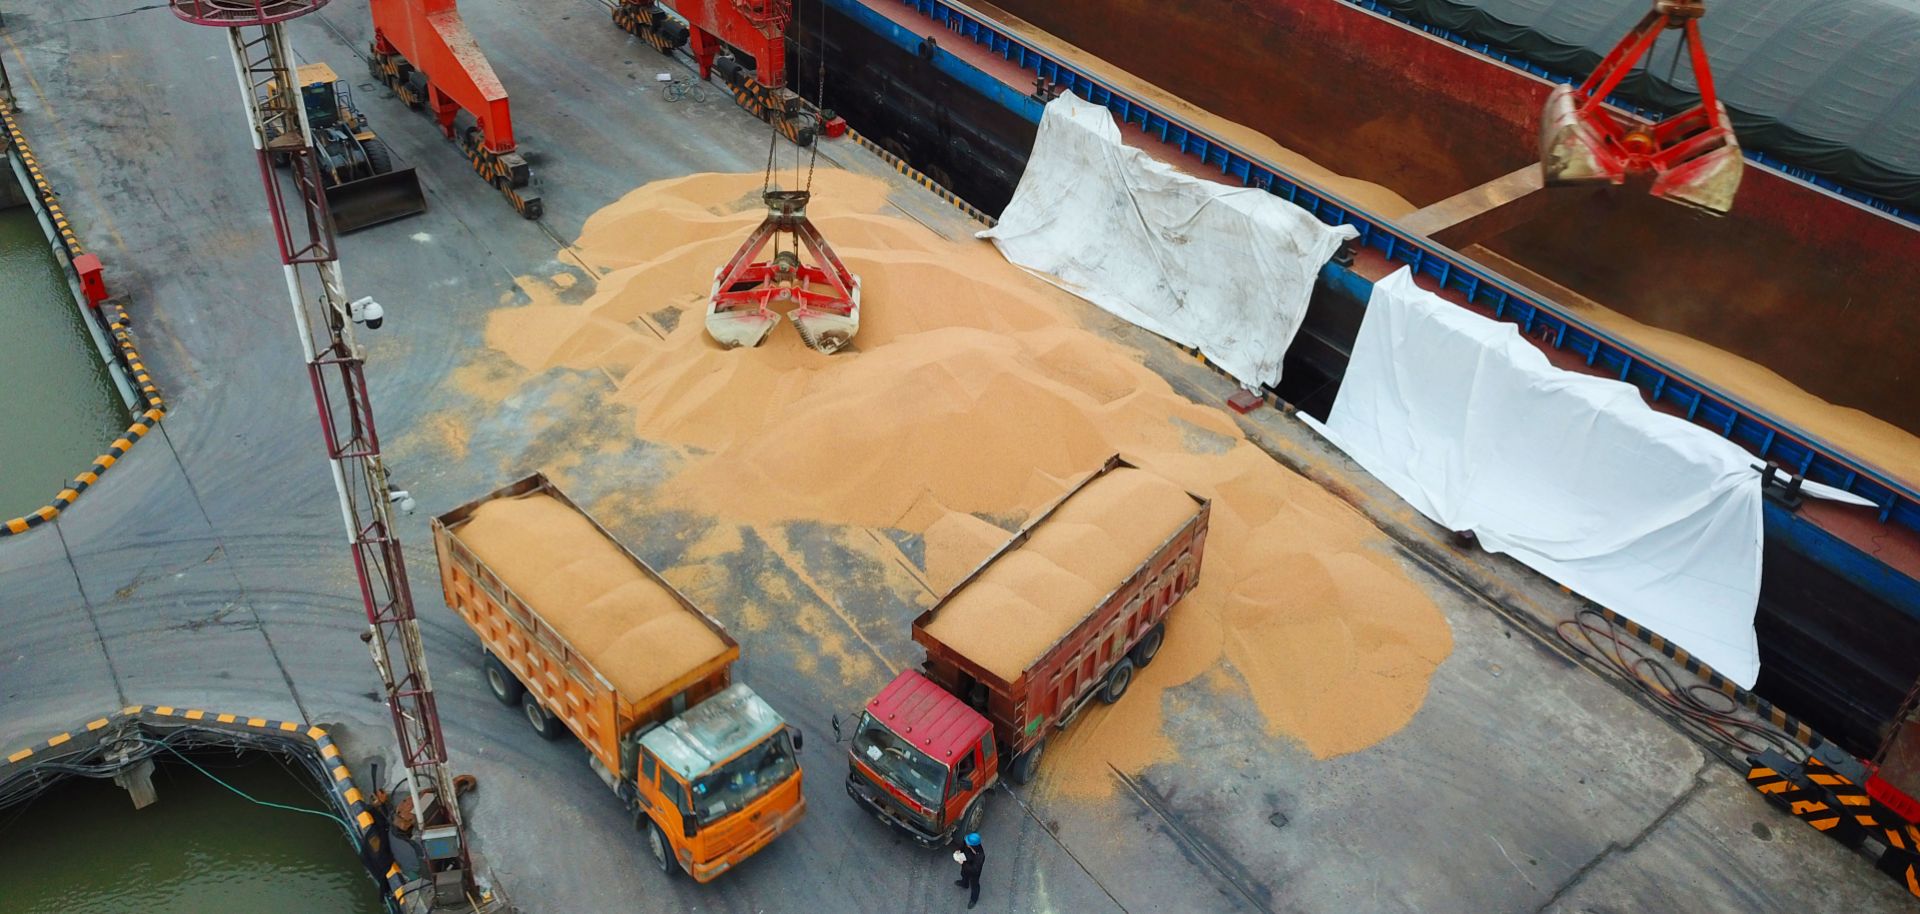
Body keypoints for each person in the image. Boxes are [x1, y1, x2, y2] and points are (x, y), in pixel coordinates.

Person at [954, 831, 985, 909]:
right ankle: (964, 883)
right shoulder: (967, 842)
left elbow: (975, 870)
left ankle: (973, 899)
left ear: (972, 846)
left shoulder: (980, 856)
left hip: (973, 872)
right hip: (966, 863)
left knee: (975, 885)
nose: (966, 843)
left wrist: (962, 863)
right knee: (964, 874)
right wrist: (958, 850)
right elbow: (962, 845)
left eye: (968, 843)